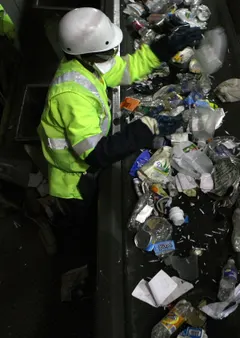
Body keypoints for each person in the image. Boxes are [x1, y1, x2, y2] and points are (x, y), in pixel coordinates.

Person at [37, 7, 201, 283]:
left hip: (85, 169)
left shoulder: (85, 65)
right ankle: (81, 262)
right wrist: (150, 127)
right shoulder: (71, 94)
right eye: (108, 51)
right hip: (74, 181)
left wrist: (165, 46)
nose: (114, 55)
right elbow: (97, 154)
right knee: (85, 225)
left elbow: (126, 68)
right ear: (87, 53)